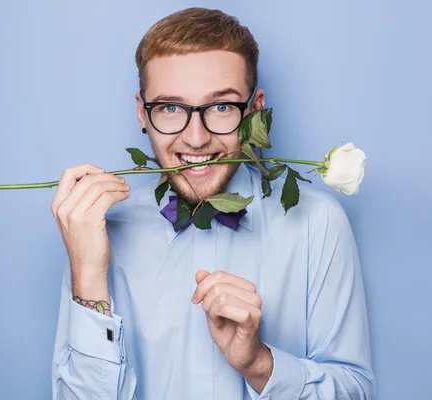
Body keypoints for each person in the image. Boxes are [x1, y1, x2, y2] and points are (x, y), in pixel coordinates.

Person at [51, 7, 375, 399]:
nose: (196, 139)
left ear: (255, 111)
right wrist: (88, 276)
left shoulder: (318, 223)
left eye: (221, 107)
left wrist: (259, 364)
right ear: (142, 112)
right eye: (170, 108)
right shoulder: (97, 231)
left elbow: (354, 391)